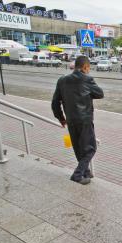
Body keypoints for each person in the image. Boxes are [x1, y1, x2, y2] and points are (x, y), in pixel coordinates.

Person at [51, 56, 104, 185]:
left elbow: (54, 103)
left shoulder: (62, 80)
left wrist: (61, 118)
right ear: (85, 67)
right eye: (89, 68)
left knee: (79, 148)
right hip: (84, 120)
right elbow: (100, 94)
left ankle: (85, 171)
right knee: (91, 148)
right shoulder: (87, 79)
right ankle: (78, 174)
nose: (89, 70)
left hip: (70, 120)